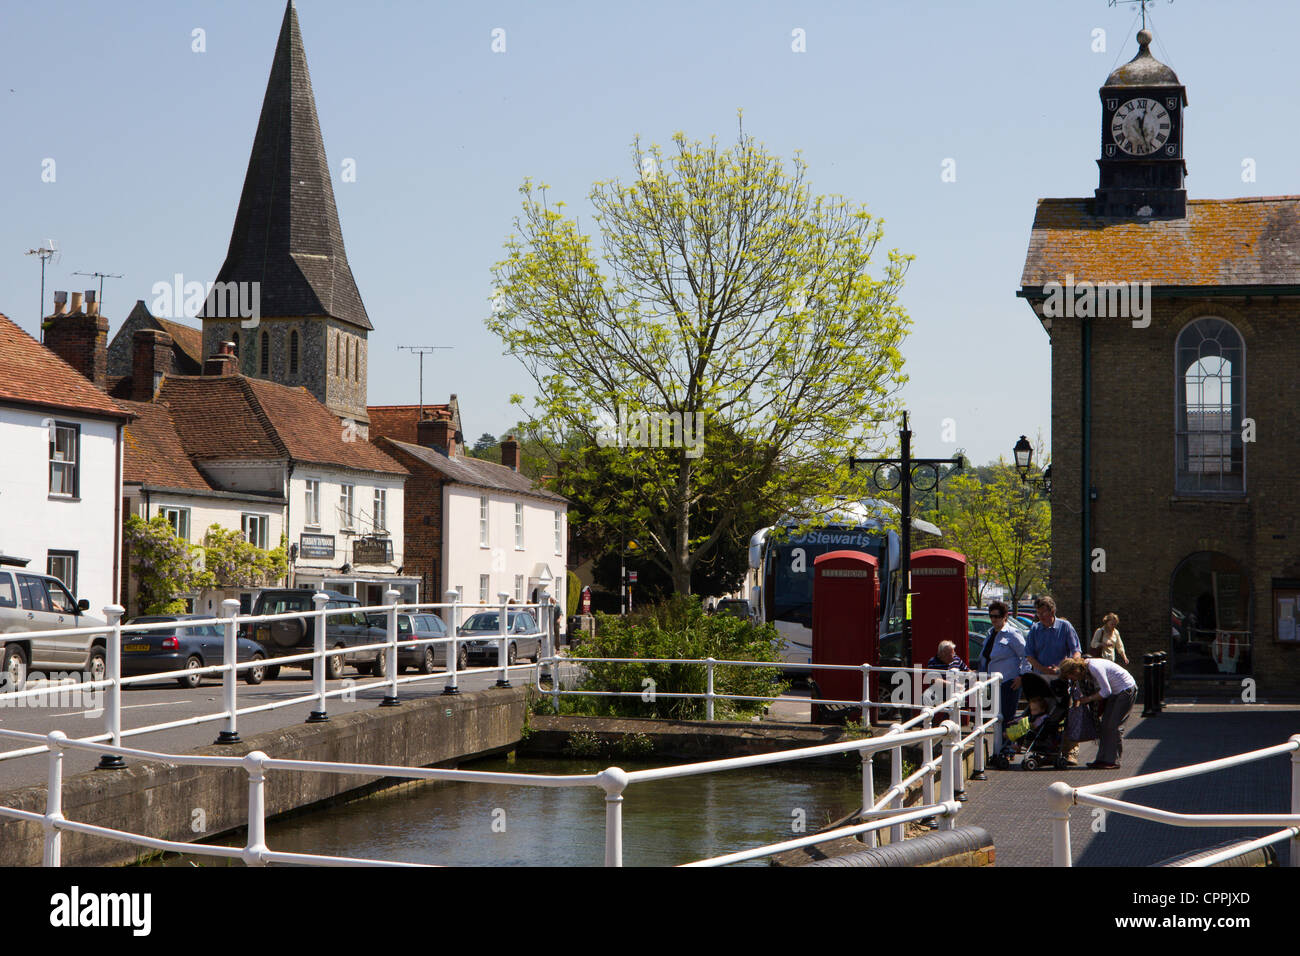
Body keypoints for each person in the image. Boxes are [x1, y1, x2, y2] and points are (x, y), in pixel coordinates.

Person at [1024, 595, 1083, 764]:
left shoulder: (1065, 627)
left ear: (1053, 611)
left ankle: (1070, 752)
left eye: (1044, 613)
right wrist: (1042, 669)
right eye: (1038, 613)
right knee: (1041, 714)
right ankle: (1043, 746)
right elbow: (1029, 654)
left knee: (1067, 714)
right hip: (1041, 679)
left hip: (1061, 679)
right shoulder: (1035, 629)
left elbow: (1076, 650)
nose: (1041, 617)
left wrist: (1067, 667)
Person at [1059, 656, 1138, 769]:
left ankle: (1113, 761)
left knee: (1113, 726)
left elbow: (1106, 691)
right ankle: (1102, 759)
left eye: (1071, 676)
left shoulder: (1094, 668)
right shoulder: (1085, 670)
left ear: (1075, 671)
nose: (1072, 679)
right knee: (1105, 725)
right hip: (1116, 692)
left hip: (1126, 689)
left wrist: (1088, 699)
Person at [977, 600, 1029, 761]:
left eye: (997, 616)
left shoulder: (1012, 634)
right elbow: (986, 658)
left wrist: (1022, 676)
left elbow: (1026, 655)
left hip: (1009, 681)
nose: (994, 620)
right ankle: (1000, 750)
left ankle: (1008, 751)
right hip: (993, 683)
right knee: (997, 718)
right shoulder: (991, 634)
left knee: (1008, 718)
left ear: (1005, 616)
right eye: (991, 616)